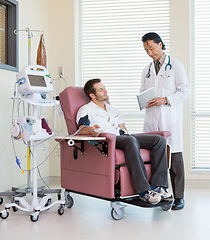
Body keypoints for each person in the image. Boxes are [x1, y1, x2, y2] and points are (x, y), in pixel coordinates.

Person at [76, 78, 172, 205]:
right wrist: (91, 130)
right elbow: (81, 129)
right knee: (130, 140)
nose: (105, 91)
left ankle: (159, 186)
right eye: (100, 90)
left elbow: (123, 128)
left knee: (158, 140)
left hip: (123, 137)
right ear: (92, 95)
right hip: (108, 140)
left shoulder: (113, 110)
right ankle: (144, 191)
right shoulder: (86, 110)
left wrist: (126, 134)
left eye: (104, 87)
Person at [140, 32, 190, 210]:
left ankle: (179, 197)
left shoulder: (176, 65)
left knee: (174, 158)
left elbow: (185, 91)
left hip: (170, 118)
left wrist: (165, 99)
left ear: (160, 44)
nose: (149, 52)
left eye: (151, 48)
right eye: (146, 50)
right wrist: (144, 100)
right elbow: (143, 90)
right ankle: (160, 193)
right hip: (152, 118)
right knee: (156, 159)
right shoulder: (147, 70)